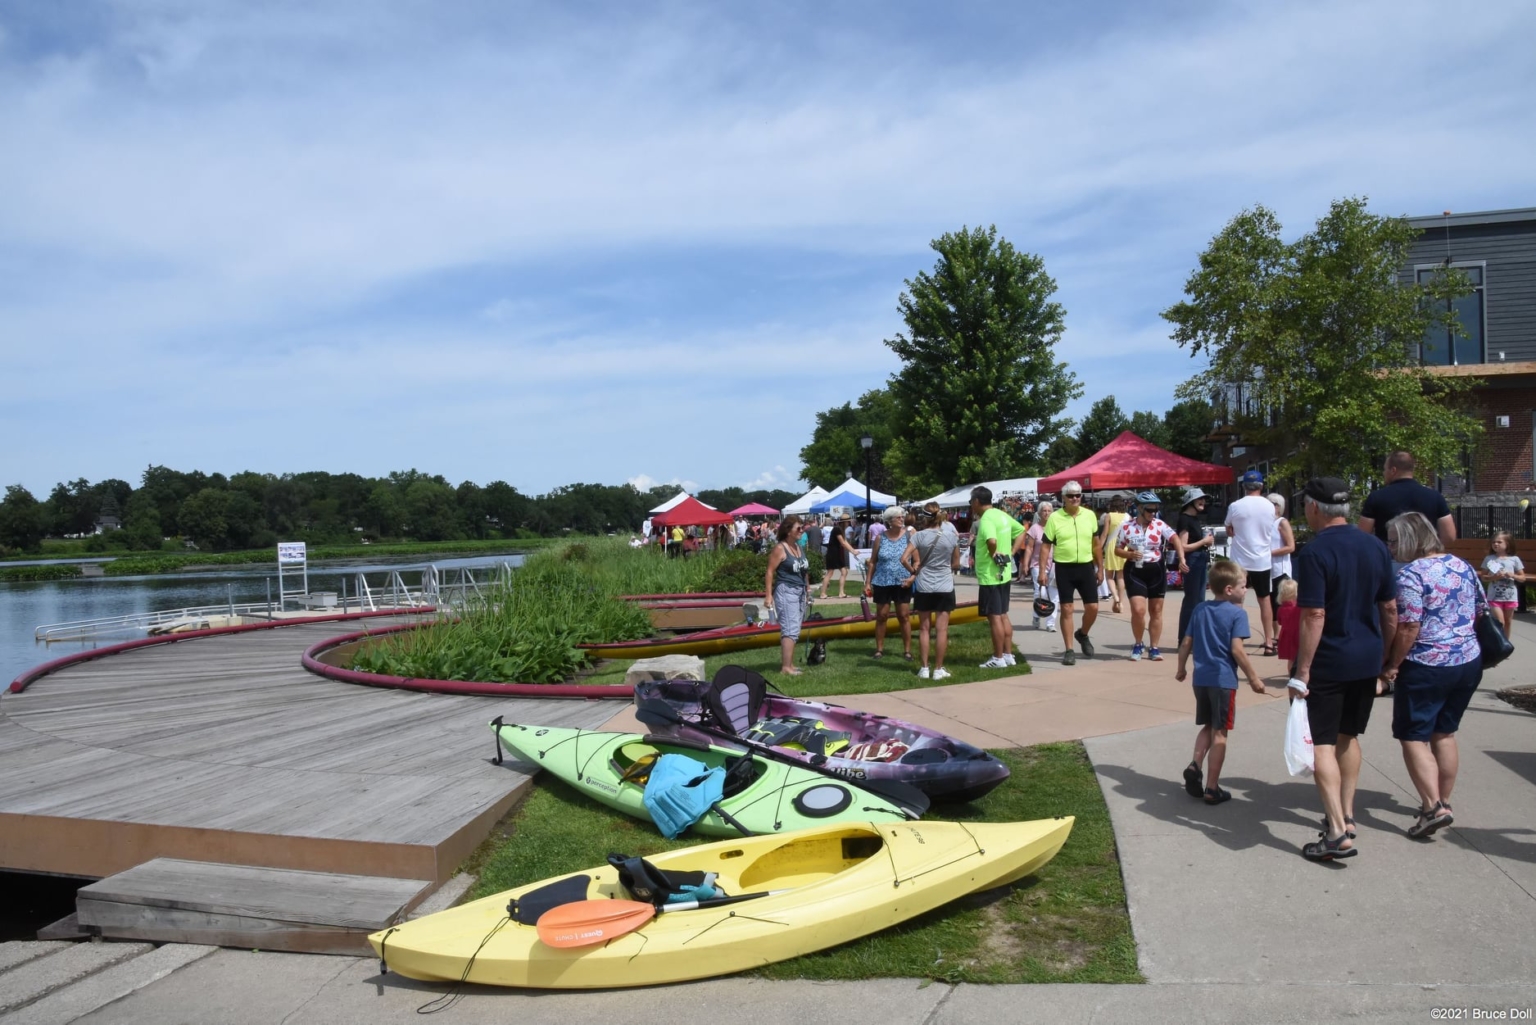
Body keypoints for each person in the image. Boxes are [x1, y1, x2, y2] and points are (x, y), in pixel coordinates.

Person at [1288, 477, 1397, 862]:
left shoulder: (1315, 553)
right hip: (1366, 658)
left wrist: (1303, 671)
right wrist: (1386, 658)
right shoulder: (1376, 546)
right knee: (1348, 736)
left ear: (1315, 508)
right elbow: (1390, 608)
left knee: (1322, 742)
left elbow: (1314, 613)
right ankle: (1347, 816)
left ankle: (1335, 832)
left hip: (1329, 661)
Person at [1381, 512, 1485, 839]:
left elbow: (1409, 626)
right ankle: (1444, 802)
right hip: (1467, 659)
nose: (1390, 546)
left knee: (1413, 735)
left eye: (1394, 540)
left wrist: (1392, 664)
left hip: (1427, 664)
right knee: (1444, 733)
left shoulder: (1411, 574)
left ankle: (1432, 807)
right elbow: (1481, 609)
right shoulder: (1462, 565)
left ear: (1410, 540)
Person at [1175, 559, 1266, 804]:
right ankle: (1212, 788)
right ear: (1229, 590)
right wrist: (1254, 678)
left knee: (1207, 725)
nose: (1246, 590)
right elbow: (1237, 650)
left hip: (1200, 679)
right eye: (1243, 586)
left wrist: (1181, 668)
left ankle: (1195, 765)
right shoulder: (1238, 614)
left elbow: (1186, 643)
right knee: (1220, 733)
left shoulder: (1200, 609)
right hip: (1223, 681)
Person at [1113, 491, 1184, 661]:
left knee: (1156, 611)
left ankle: (1154, 647)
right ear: (1139, 508)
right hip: (1135, 569)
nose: (1153, 513)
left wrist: (1181, 558)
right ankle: (1138, 644)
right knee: (1138, 610)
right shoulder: (1126, 527)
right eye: (1150, 510)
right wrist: (1129, 555)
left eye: (1155, 510)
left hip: (1156, 569)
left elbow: (1175, 539)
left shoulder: (1159, 525)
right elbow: (1117, 549)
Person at [1039, 481, 1104, 666]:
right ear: (1063, 498)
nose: (1075, 498)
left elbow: (1096, 544)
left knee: (1093, 608)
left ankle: (1082, 634)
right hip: (1064, 568)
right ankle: (1069, 650)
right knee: (1067, 608)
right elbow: (1045, 546)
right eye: (1071, 495)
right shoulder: (1055, 518)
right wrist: (1042, 571)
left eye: (1078, 495)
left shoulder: (1090, 515)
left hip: (1085, 567)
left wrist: (1101, 568)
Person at [1358, 450, 1457, 556]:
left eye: (1384, 469)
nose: (1383, 473)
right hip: (1423, 558)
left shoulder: (1376, 497)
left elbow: (1362, 535)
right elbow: (1449, 536)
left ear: (1393, 470)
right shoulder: (1435, 496)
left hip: (1390, 559)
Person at [970, 486, 1026, 668]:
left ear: (977, 502)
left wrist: (994, 553)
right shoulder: (1002, 515)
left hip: (990, 575)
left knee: (994, 617)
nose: (971, 505)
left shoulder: (986, 519)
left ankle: (998, 657)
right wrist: (1012, 551)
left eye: (972, 501)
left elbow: (991, 541)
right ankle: (1008, 655)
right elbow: (1021, 531)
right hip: (1004, 573)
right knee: (1002, 614)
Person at [1225, 469, 1278, 656]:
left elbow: (1229, 529)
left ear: (1244, 486)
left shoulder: (1235, 506)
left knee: (1237, 601)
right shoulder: (1270, 506)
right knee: (1264, 600)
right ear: (1261, 486)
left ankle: (1235, 640)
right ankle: (1269, 642)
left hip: (1240, 560)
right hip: (1262, 559)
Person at [905, 506, 961, 680]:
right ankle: (938, 669)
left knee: (924, 628)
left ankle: (924, 668)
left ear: (925, 518)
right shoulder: (951, 537)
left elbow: (903, 558)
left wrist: (914, 572)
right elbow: (957, 563)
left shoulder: (918, 536)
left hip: (924, 585)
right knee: (942, 630)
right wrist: (944, 567)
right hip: (944, 585)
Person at [865, 506, 915, 660]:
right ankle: (879, 649)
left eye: (902, 517)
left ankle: (907, 650)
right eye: (898, 517)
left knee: (904, 616)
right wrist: (867, 582)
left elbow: (917, 560)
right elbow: (873, 562)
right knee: (881, 615)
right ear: (890, 521)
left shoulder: (910, 535)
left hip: (902, 581)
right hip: (882, 581)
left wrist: (913, 576)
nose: (902, 519)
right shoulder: (880, 538)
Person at [764, 515, 811, 676]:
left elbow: (804, 570)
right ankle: (786, 667)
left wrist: (808, 589)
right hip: (786, 591)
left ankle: (790, 664)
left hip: (799, 591)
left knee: (795, 628)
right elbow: (770, 572)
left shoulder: (799, 547)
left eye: (802, 527)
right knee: (789, 629)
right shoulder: (780, 548)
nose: (801, 530)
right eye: (798, 528)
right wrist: (768, 596)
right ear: (788, 530)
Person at [1175, 488, 1215, 643]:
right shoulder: (1185, 519)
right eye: (1199, 499)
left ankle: (1195, 638)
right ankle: (1184, 639)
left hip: (1200, 559)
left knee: (1199, 600)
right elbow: (1182, 546)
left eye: (1204, 499)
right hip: (1192, 560)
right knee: (1192, 600)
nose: (1203, 501)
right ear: (1190, 501)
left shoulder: (1195, 519)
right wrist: (1203, 542)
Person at [1479, 530, 1525, 636]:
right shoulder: (1489, 559)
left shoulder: (1514, 559)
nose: (1495, 544)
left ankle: (1506, 644)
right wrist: (1494, 577)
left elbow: (1522, 578)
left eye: (1499, 542)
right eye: (1494, 542)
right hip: (1494, 596)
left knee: (1508, 622)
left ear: (1507, 544)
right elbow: (1483, 577)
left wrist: (1512, 575)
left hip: (1510, 596)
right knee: (1500, 622)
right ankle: (1499, 645)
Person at [1024, 501, 1058, 632]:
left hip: (1054, 564)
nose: (1047, 513)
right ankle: (1037, 614)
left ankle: (1050, 623)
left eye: (1049, 511)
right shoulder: (1034, 528)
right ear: (1039, 513)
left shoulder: (1056, 527)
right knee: (1040, 591)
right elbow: (1029, 548)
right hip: (1037, 564)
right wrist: (1026, 564)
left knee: (1054, 593)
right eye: (1044, 511)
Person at [1099, 495, 1130, 613]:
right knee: (1121, 576)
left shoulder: (1109, 516)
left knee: (1109, 575)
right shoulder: (1128, 516)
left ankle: (1115, 597)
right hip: (1124, 546)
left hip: (1111, 545)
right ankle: (1120, 603)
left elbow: (1104, 534)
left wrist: (1099, 548)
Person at [819, 520, 857, 599]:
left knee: (844, 571)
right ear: (844, 522)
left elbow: (845, 542)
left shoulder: (841, 530)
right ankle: (823, 593)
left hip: (837, 554)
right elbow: (843, 543)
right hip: (832, 554)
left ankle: (841, 593)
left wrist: (853, 551)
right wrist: (853, 551)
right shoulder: (837, 529)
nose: (848, 524)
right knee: (830, 572)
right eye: (847, 522)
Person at [1268, 493, 1295, 594]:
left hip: (1281, 571)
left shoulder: (1282, 522)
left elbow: (1291, 547)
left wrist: (1270, 553)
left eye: (1271, 504)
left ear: (1278, 506)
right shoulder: (1267, 523)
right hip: (1268, 570)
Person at [1274, 577, 1300, 670]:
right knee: (1300, 656)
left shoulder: (1281, 608)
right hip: (1297, 635)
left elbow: (1280, 622)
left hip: (1286, 635)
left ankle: (1291, 676)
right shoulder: (1298, 607)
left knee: (1291, 659)